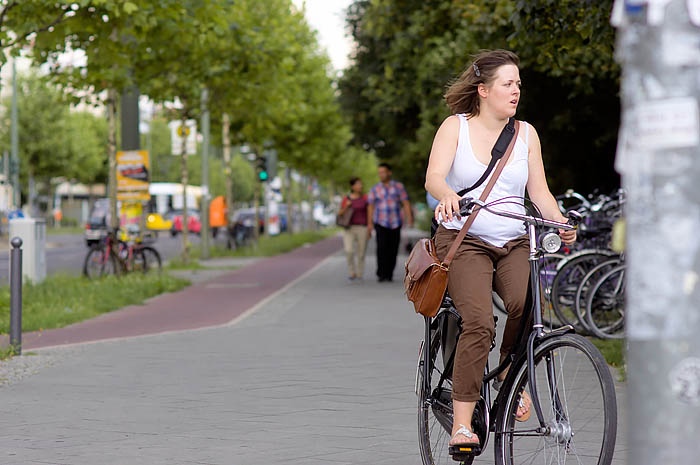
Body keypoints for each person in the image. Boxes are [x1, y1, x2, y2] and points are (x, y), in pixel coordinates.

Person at [424, 50, 576, 450]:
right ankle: (462, 424)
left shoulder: (526, 134)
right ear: (483, 90)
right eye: (508, 84)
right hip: (466, 237)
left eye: (519, 84)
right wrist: (449, 195)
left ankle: (511, 376)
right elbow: (434, 177)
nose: (516, 91)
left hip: (513, 239)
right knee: (478, 322)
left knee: (526, 308)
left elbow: (538, 192)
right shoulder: (455, 128)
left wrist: (559, 221)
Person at [367, 163, 413, 282]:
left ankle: (389, 273)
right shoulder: (375, 188)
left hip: (395, 222)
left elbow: (406, 203)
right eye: (379, 173)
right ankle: (381, 273)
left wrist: (410, 218)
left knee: (393, 248)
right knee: (381, 248)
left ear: (389, 172)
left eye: (383, 172)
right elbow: (370, 206)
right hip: (380, 222)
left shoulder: (398, 187)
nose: (381, 175)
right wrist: (370, 223)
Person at [338, 177, 369, 280]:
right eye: (358, 184)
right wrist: (346, 206)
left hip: (362, 228)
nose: (360, 186)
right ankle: (352, 272)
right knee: (349, 250)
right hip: (349, 228)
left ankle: (360, 273)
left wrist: (370, 227)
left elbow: (369, 213)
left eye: (361, 184)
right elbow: (340, 213)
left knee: (361, 252)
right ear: (352, 186)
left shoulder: (365, 198)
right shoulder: (346, 199)